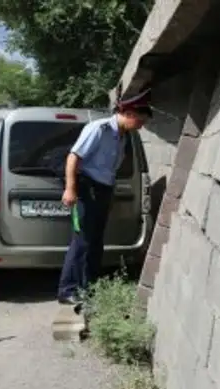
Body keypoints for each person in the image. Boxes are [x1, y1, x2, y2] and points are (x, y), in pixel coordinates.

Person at [56, 90, 153, 310]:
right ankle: (68, 290)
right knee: (82, 241)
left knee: (96, 242)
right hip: (86, 189)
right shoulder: (98, 129)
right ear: (127, 112)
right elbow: (74, 157)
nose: (141, 125)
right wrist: (70, 190)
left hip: (102, 190)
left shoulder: (122, 136)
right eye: (139, 120)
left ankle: (88, 288)